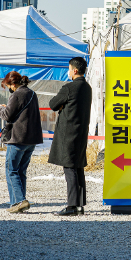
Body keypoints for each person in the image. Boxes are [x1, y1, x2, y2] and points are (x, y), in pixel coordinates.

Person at [49, 57, 93, 216]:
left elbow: (53, 104)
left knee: (69, 169)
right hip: (81, 133)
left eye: (69, 69)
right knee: (78, 167)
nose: (68, 72)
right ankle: (80, 205)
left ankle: (72, 206)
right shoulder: (87, 87)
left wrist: (62, 105)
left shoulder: (69, 88)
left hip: (68, 134)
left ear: (74, 70)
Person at [0, 71, 43, 213]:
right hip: (32, 139)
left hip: (18, 138)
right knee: (21, 170)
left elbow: (7, 115)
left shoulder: (16, 95)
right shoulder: (32, 93)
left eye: (8, 85)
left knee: (11, 170)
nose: (8, 89)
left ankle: (19, 200)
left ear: (12, 83)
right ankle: (17, 202)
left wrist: (0, 109)